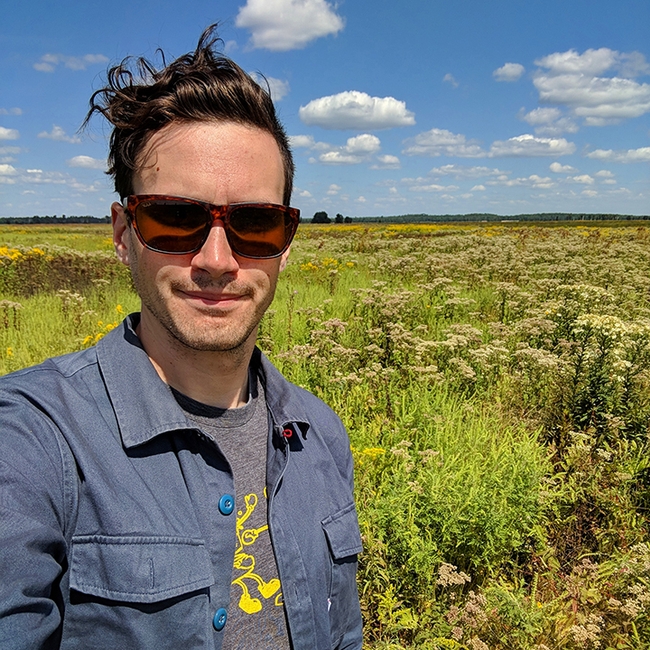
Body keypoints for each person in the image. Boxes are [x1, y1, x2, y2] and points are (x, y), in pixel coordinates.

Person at [0, 25, 362, 650]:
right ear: (123, 232)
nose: (218, 260)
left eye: (255, 223)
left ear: (286, 241)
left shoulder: (319, 437)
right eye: (176, 217)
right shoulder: (34, 444)